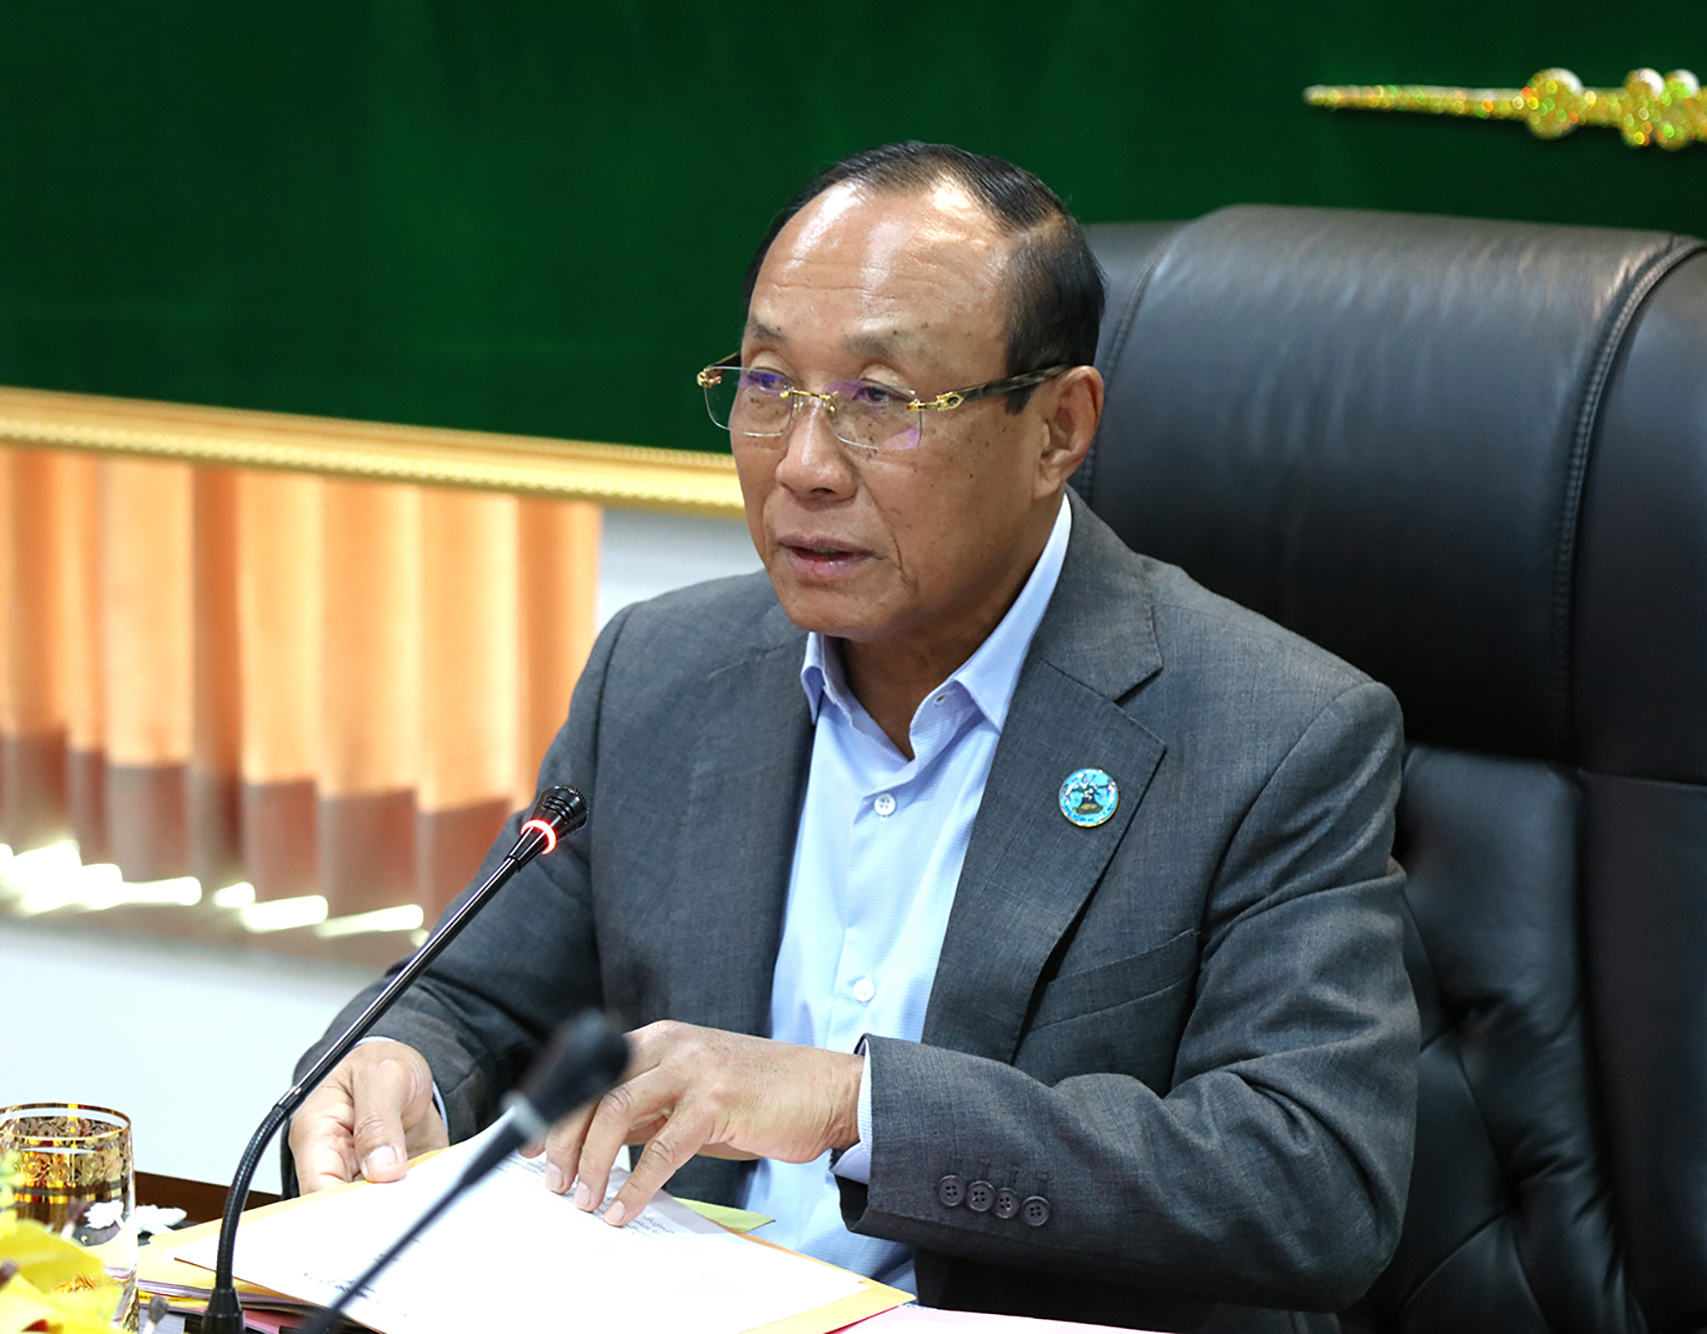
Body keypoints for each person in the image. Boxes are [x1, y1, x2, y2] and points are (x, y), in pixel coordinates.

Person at [287, 142, 1417, 1332]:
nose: (804, 465)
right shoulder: (660, 673)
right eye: (766, 385)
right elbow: (471, 999)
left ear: (1057, 428)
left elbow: (1312, 1182)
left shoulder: (1272, 732)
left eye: (879, 400)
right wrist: (402, 1066)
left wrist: (852, 1102)